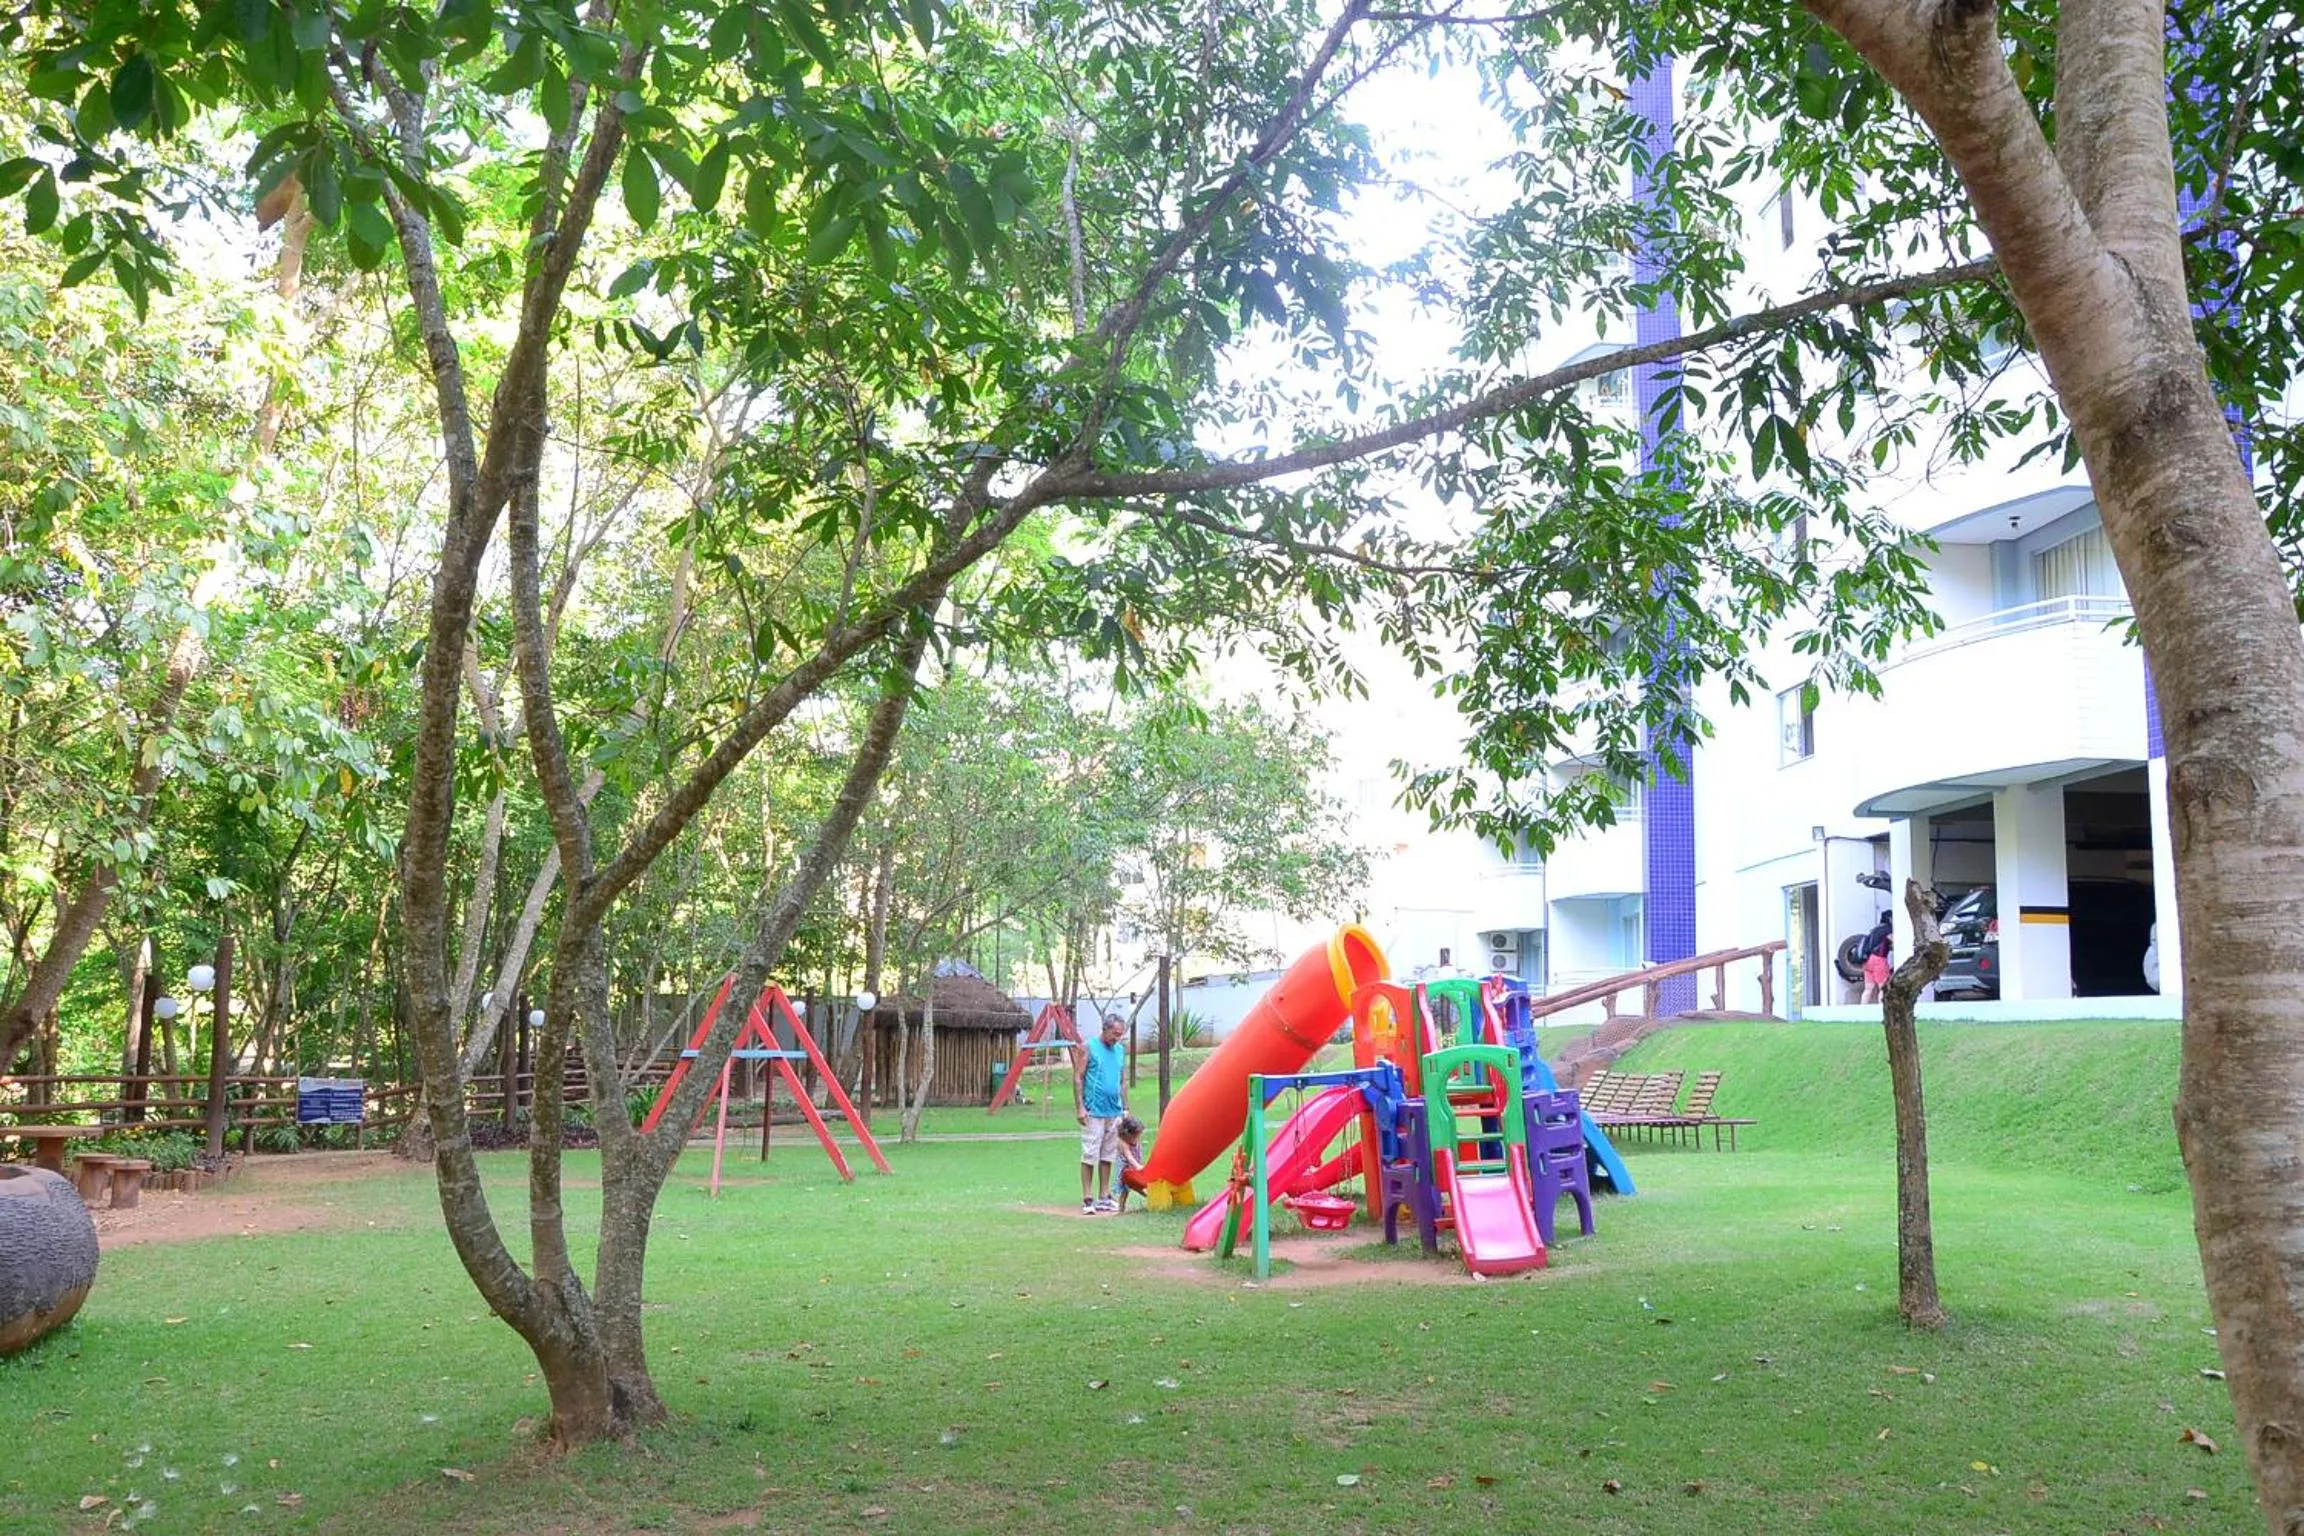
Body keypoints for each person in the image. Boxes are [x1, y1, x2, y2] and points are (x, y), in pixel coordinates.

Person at [1073, 1012, 1130, 1215]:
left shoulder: (1120, 1050)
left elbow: (1122, 1080)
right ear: (1105, 1029)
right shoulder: (1089, 1047)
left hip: (1113, 1110)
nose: (1117, 1038)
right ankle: (1087, 1197)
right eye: (1115, 1033)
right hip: (1093, 1110)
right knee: (1090, 1153)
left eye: (1120, 1035)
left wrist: (1125, 1108)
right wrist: (1080, 1106)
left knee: (1108, 1154)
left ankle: (1104, 1195)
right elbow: (1078, 1077)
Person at [1112, 1115, 1146, 1213]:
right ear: (1128, 1135)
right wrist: (1138, 1166)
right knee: (1125, 1191)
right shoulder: (1123, 1143)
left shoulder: (1134, 1140)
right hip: (1125, 1170)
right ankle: (1121, 1209)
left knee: (1135, 1186)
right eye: (1136, 1136)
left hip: (1133, 1167)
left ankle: (1148, 1196)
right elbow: (1129, 1157)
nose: (1138, 1138)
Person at [1860, 912, 1894, 1004]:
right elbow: (1894, 940)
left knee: (1868, 989)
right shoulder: (1887, 929)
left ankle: (1861, 1010)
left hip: (1867, 960)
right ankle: (1881, 1010)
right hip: (1878, 960)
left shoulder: (1876, 929)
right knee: (1883, 987)